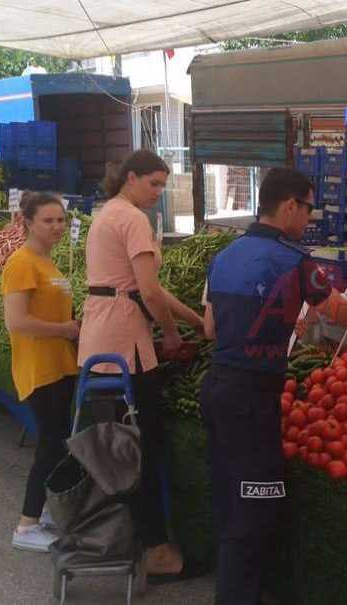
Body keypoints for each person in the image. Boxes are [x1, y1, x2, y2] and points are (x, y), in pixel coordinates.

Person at [201, 167, 347, 605]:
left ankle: (241, 587)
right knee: (257, 501)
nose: (310, 218)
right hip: (252, 400)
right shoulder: (294, 261)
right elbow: (341, 313)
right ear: (291, 206)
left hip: (218, 387)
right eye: (309, 208)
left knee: (229, 494)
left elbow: (209, 329)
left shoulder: (224, 255)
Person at [78, 149, 204, 579]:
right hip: (124, 349)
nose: (158, 194)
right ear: (131, 178)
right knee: (141, 450)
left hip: (100, 345)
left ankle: (125, 541)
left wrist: (193, 319)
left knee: (116, 448)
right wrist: (171, 334)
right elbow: (148, 293)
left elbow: (144, 289)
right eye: (153, 184)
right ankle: (156, 550)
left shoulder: (108, 212)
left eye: (163, 186)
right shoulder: (133, 219)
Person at [2, 192, 80, 552]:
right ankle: (26, 525)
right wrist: (65, 331)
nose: (56, 227)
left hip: (59, 366)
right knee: (49, 445)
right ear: (28, 222)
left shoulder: (48, 262)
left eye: (60, 220)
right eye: (48, 220)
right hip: (39, 368)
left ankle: (46, 512)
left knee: (59, 442)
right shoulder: (22, 263)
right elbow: (16, 321)